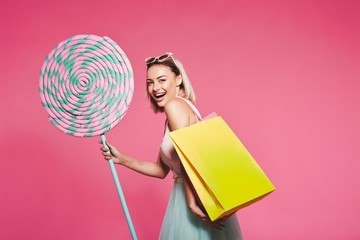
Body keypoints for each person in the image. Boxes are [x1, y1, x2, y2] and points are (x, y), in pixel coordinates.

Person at [100, 52, 242, 239]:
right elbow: (161, 170)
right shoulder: (182, 110)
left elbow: (187, 157)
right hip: (194, 195)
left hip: (192, 198)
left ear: (178, 79)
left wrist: (191, 203)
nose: (155, 88)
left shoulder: (174, 106)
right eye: (150, 83)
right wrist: (122, 159)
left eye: (161, 80)